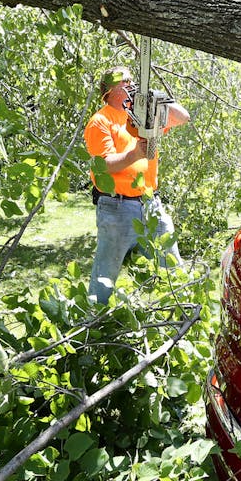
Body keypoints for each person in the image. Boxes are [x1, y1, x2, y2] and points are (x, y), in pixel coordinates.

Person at [84, 66, 190, 305]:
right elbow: (104, 165)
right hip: (116, 207)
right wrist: (134, 155)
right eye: (124, 81)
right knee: (105, 276)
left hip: (150, 203)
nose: (131, 84)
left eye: (133, 80)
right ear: (109, 90)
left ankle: (184, 313)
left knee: (173, 267)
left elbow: (183, 117)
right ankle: (92, 325)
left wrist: (155, 98)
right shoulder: (101, 121)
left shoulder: (142, 113)